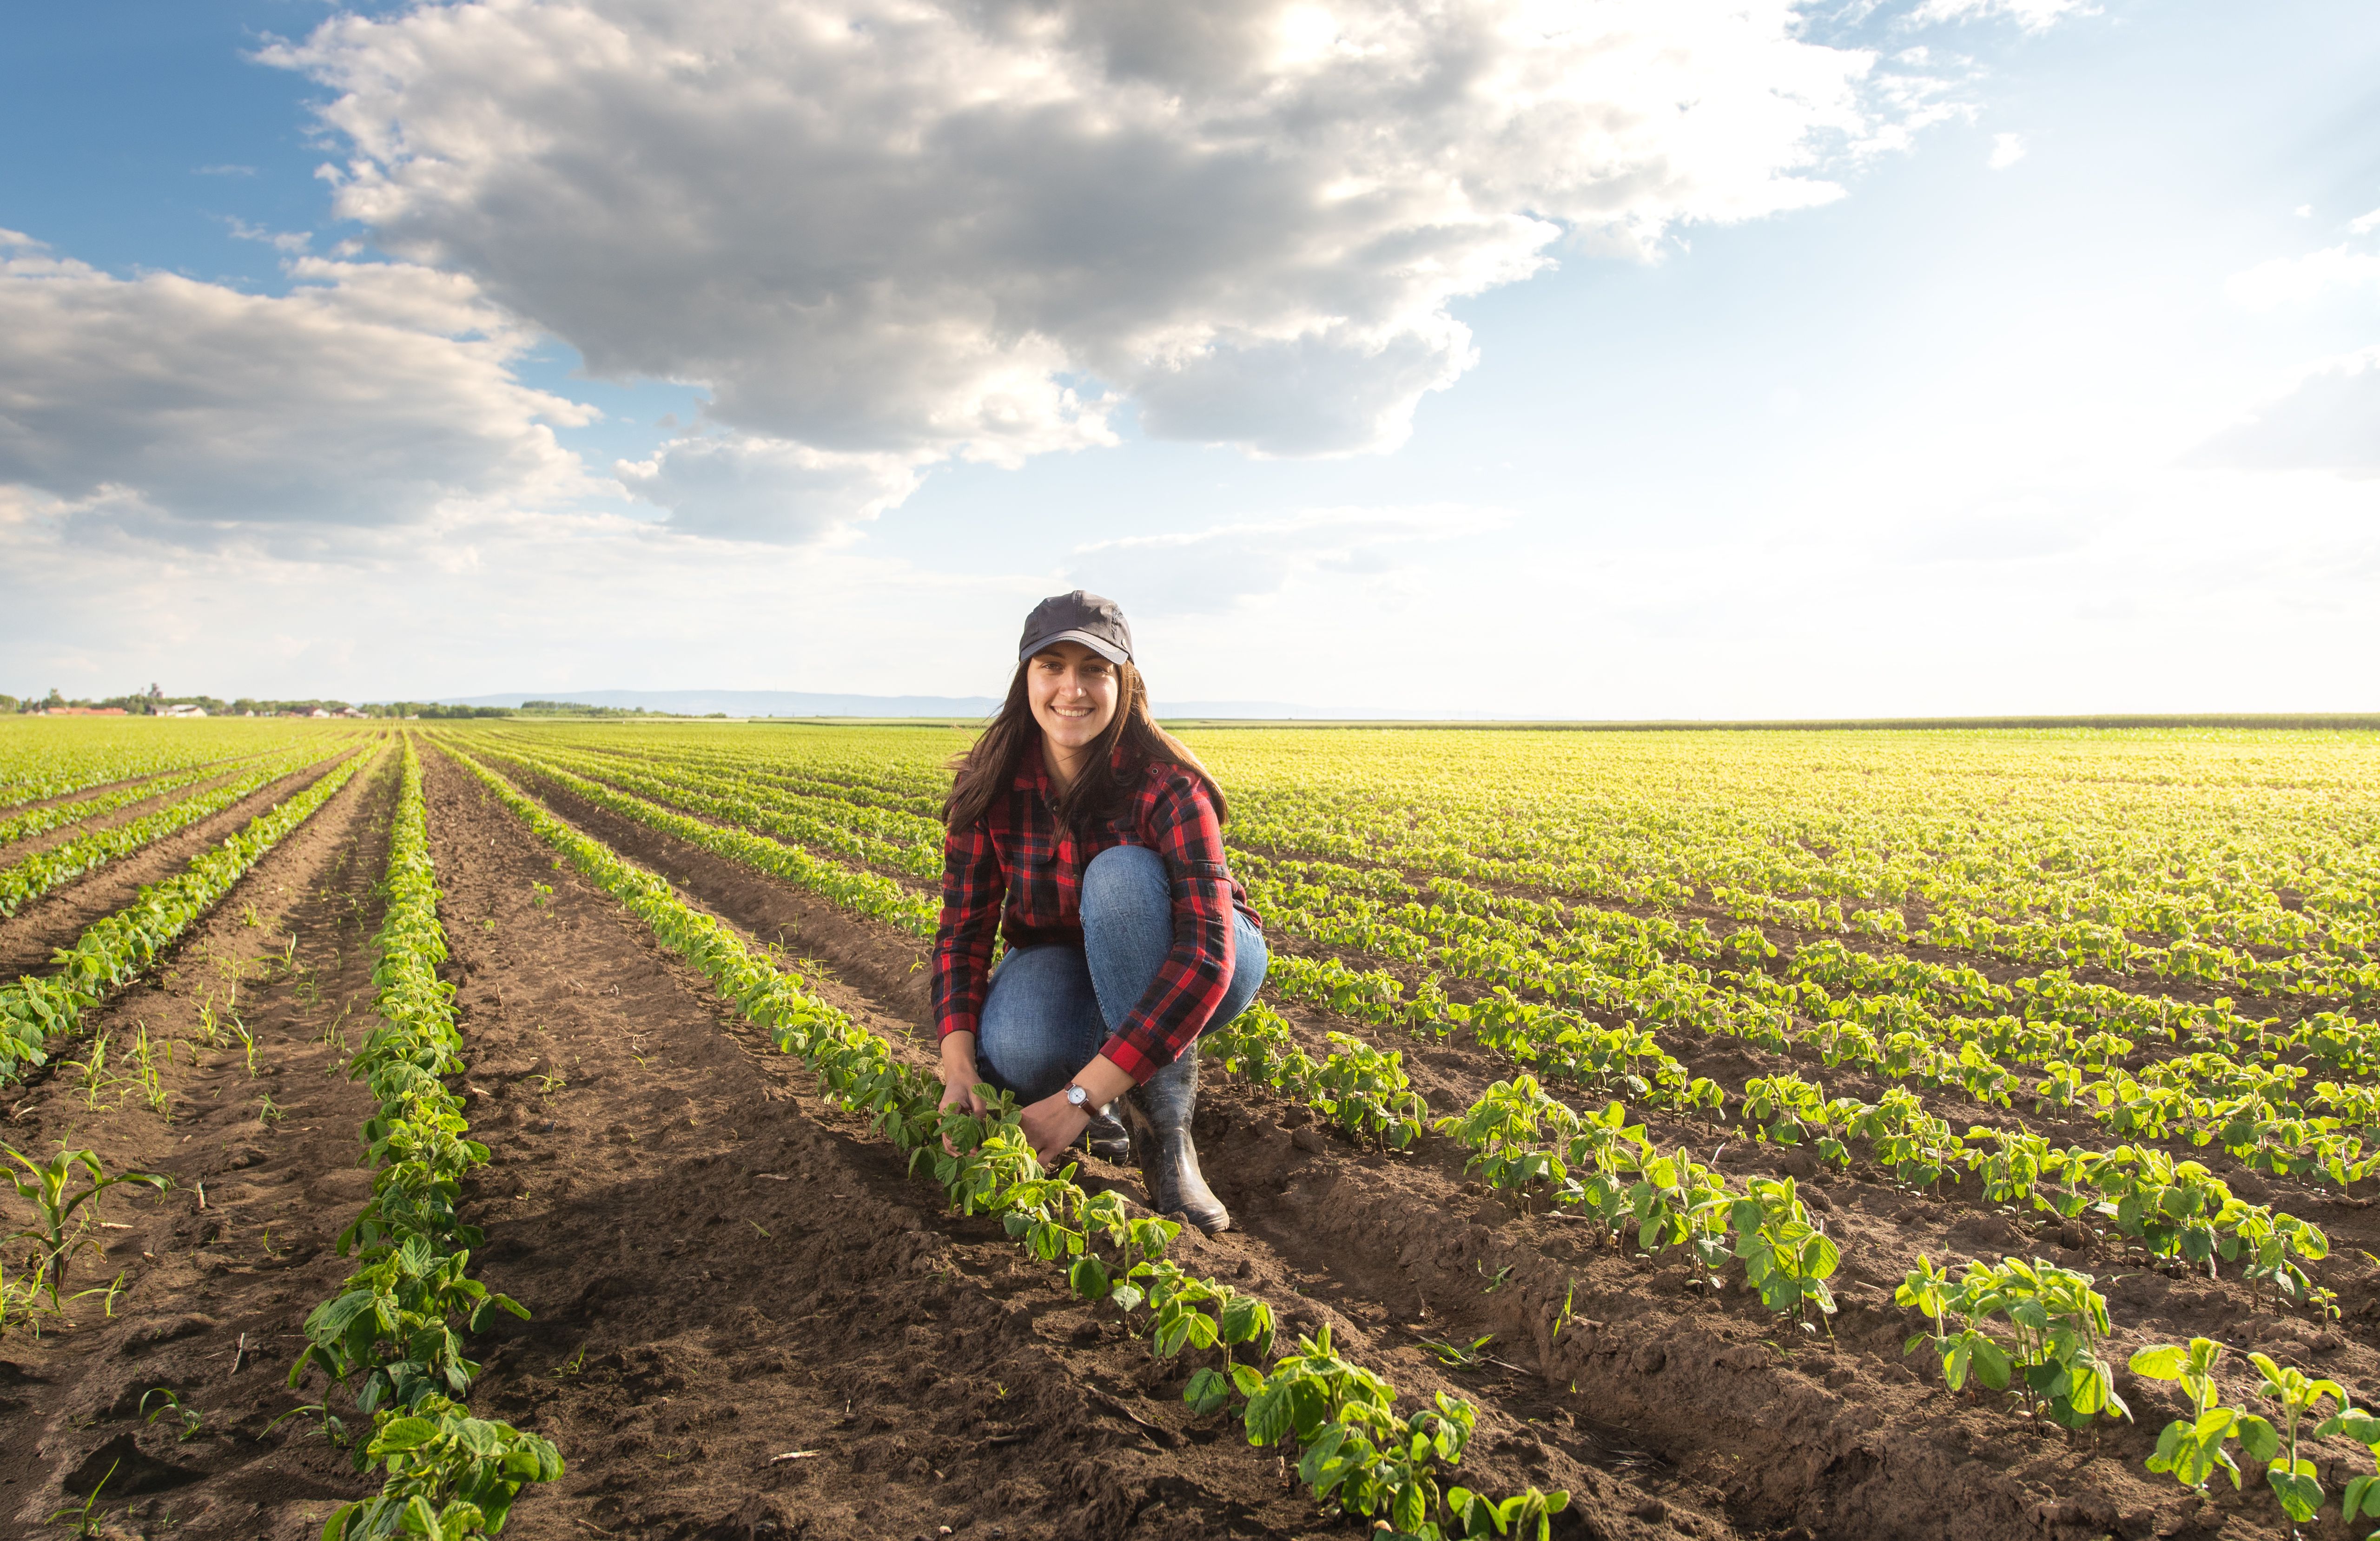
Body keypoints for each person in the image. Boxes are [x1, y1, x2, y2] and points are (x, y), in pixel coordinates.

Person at [931, 590, 1267, 1234]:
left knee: (1118, 874)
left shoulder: (1168, 784)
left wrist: (1077, 1103)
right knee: (1017, 1048)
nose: (1072, 689)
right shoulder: (990, 784)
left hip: (1205, 958)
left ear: (1124, 682)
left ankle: (1167, 1142)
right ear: (1025, 678)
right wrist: (957, 1070)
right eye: (1052, 666)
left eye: (1094, 670)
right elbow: (961, 936)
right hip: (1072, 959)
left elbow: (1204, 954)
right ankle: (1111, 1085)